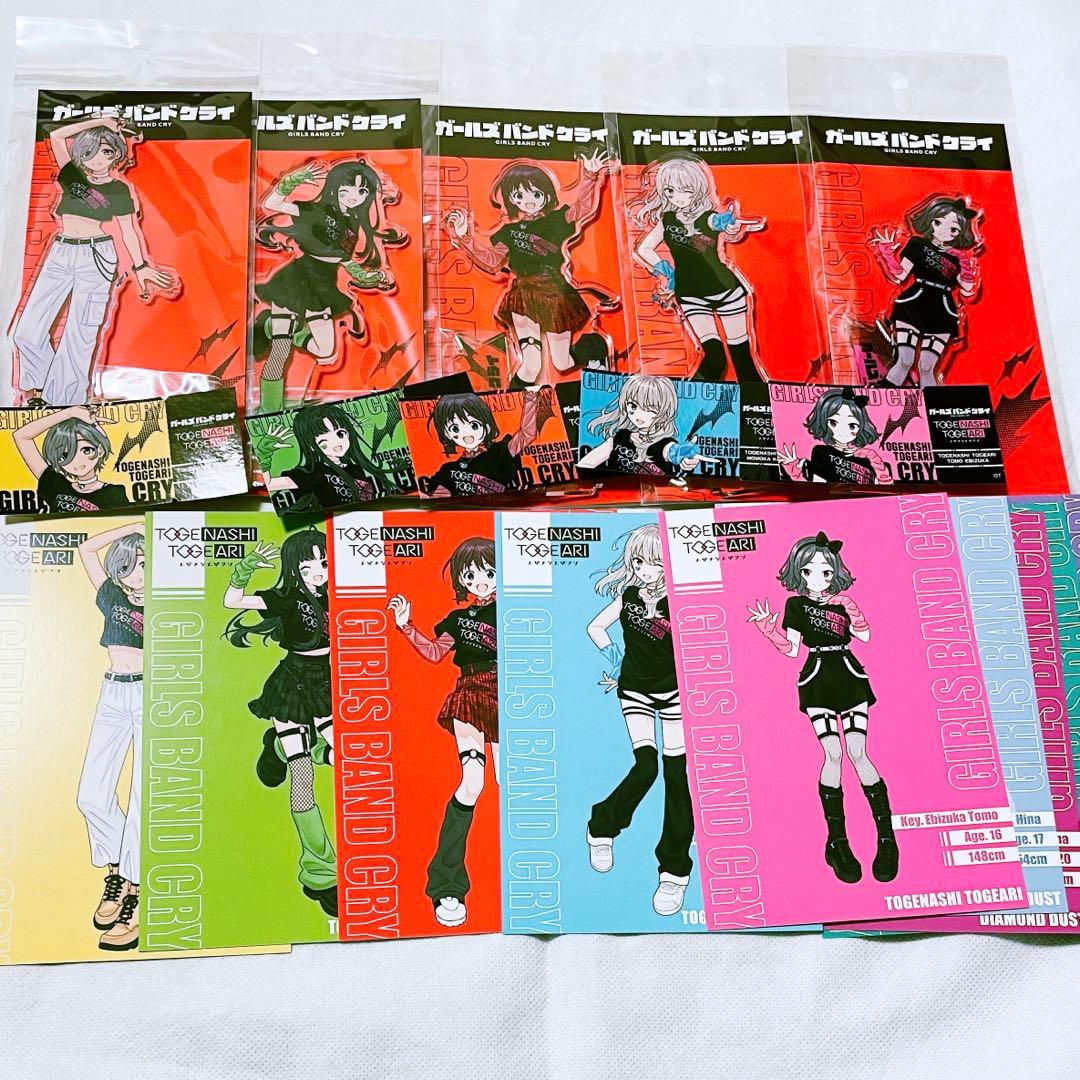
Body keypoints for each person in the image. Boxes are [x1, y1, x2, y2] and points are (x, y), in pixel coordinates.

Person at [746, 531, 898, 884]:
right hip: (816, 677)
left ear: (835, 573)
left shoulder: (843, 602)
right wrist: (768, 630)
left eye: (826, 572)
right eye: (810, 571)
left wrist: (852, 611)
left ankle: (887, 839)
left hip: (848, 674)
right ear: (799, 573)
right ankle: (838, 842)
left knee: (858, 752)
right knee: (833, 754)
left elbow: (865, 636)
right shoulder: (796, 606)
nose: (819, 578)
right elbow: (791, 649)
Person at [12, 116, 179, 406]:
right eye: (89, 152)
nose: (98, 159)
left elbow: (129, 229)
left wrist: (141, 267)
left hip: (97, 257)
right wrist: (102, 120)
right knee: (26, 331)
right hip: (61, 252)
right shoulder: (72, 175)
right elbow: (57, 136)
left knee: (80, 334)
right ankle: (41, 389)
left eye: (107, 151)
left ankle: (62, 404)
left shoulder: (118, 188)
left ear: (117, 153)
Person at [224, 529, 337, 917]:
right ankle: (321, 874)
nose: (319, 572)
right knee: (302, 777)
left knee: (347, 758)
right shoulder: (285, 597)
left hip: (330, 683)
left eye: (324, 563)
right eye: (308, 567)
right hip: (292, 684)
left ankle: (277, 745)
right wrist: (247, 568)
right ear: (294, 570)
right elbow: (232, 600)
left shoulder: (340, 593)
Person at [388, 537, 498, 929]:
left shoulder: (521, 608)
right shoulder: (457, 618)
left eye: (489, 572)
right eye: (471, 576)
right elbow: (435, 653)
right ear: (461, 581)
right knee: (472, 783)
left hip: (516, 694)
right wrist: (406, 626)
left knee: (514, 784)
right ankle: (447, 884)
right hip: (471, 693)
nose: (480, 582)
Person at [585, 523, 694, 916]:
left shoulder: (680, 600)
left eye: (655, 563)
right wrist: (615, 659)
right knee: (646, 766)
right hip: (635, 690)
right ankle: (602, 826)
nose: (647, 570)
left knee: (677, 776)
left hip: (676, 693)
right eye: (640, 562)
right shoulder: (628, 596)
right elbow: (595, 626)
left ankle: (674, 871)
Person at [444, 151, 617, 388]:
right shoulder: (508, 232)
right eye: (519, 195)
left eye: (536, 194)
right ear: (511, 199)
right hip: (523, 295)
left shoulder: (557, 219)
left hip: (554, 294)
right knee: (530, 365)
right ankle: (509, 403)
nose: (529, 201)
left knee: (563, 363)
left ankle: (595, 346)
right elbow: (492, 260)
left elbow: (583, 208)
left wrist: (589, 175)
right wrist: (465, 237)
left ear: (547, 194)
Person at [255, 158, 404, 412]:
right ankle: (269, 411)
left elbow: (344, 260)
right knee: (279, 351)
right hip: (295, 281)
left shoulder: (353, 226)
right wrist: (293, 180)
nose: (353, 196)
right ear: (334, 186)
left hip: (323, 287)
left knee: (325, 352)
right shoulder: (314, 210)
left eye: (361, 191)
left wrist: (369, 277)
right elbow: (271, 204)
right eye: (347, 188)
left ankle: (280, 328)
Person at [629, 154, 765, 383]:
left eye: (686, 190)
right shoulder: (668, 220)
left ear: (698, 189)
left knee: (742, 357)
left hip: (726, 291)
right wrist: (666, 271)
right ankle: (683, 400)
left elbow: (720, 224)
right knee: (714, 358)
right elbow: (644, 249)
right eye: (670, 191)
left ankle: (757, 402)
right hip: (690, 294)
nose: (678, 197)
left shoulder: (708, 217)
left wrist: (729, 225)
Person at [76, 522, 146, 950]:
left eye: (145, 564)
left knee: (141, 796)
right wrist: (137, 526)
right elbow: (86, 549)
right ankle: (120, 870)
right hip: (113, 691)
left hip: (151, 693)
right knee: (91, 795)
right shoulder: (111, 595)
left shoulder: (167, 600)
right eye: (131, 565)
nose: (138, 573)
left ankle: (136, 891)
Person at [869, 194, 982, 387]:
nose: (947, 232)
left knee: (927, 367)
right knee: (905, 360)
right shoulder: (917, 244)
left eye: (954, 230)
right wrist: (886, 253)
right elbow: (900, 275)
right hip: (914, 303)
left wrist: (965, 265)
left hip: (943, 310)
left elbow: (968, 288)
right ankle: (883, 396)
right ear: (932, 222)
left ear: (959, 234)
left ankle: (932, 403)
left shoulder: (956, 257)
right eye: (940, 223)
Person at [578, 374, 701, 477]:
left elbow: (671, 451)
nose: (639, 414)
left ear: (664, 412)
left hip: (649, 495)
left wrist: (684, 455)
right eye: (633, 406)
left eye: (650, 409)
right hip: (613, 491)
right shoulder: (621, 436)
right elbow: (585, 464)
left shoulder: (663, 444)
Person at [425, 390, 541, 498]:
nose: (466, 434)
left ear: (487, 427)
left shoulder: (500, 452)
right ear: (447, 433)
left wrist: (531, 395)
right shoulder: (448, 470)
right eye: (455, 428)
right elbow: (437, 500)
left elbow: (527, 434)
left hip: (500, 508)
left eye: (474, 426)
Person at [14, 405, 129, 513]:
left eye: (86, 450)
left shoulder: (114, 493)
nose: (76, 461)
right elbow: (21, 436)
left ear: (100, 450)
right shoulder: (55, 485)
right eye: (64, 455)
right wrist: (69, 413)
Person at [777, 387, 893, 486]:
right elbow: (819, 491)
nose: (843, 431)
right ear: (824, 422)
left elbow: (887, 487)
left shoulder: (868, 458)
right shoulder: (821, 452)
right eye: (834, 422)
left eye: (852, 425)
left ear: (861, 427)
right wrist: (795, 473)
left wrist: (871, 456)